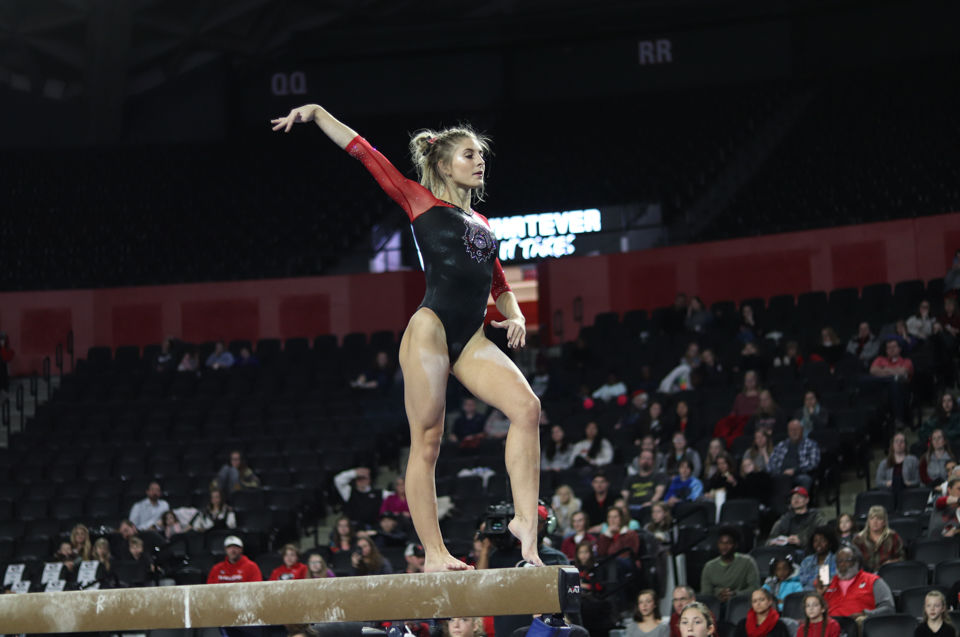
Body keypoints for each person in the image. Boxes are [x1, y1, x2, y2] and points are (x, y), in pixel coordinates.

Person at [301, 103, 542, 569]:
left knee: (527, 408)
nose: (479, 161)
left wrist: (516, 317)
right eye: (469, 155)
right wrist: (316, 113)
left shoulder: (484, 225)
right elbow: (365, 153)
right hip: (430, 328)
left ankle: (525, 524)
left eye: (481, 155)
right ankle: (434, 553)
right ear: (442, 164)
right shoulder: (420, 201)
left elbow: (500, 286)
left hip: (470, 337)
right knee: (428, 438)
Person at [814, 546, 894, 619]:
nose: (842, 564)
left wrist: (866, 614)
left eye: (847, 560)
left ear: (857, 562)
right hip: (831, 628)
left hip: (861, 626)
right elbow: (814, 612)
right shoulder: (828, 584)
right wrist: (819, 595)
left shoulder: (873, 581)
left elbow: (888, 609)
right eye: (839, 561)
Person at [700, 526, 760, 604]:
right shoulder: (709, 566)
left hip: (742, 603)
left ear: (735, 545)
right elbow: (706, 594)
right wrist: (719, 594)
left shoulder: (747, 562)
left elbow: (755, 588)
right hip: (716, 604)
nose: (724, 547)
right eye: (721, 543)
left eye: (728, 543)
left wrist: (734, 594)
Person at [869, 339, 914, 426]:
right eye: (888, 348)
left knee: (895, 384)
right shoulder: (879, 359)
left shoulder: (906, 361)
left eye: (894, 347)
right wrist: (894, 371)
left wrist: (884, 370)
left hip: (902, 391)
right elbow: (873, 370)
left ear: (899, 349)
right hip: (882, 391)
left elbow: (902, 372)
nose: (891, 349)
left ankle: (898, 419)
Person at [767, 420, 820, 491]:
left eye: (796, 429)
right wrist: (778, 472)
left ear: (802, 430)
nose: (794, 432)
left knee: (805, 479)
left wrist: (795, 471)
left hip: (798, 474)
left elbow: (813, 463)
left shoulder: (811, 444)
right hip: (780, 474)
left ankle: (800, 501)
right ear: (788, 432)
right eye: (791, 430)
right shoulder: (781, 445)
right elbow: (771, 462)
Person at [851, 505, 904, 572]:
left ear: (884, 522)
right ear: (868, 521)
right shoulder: (858, 539)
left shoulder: (893, 537)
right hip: (865, 576)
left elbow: (902, 558)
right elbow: (852, 560)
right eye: (872, 518)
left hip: (888, 574)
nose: (875, 522)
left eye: (879, 519)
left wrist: (891, 562)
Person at [797, 527, 838, 591]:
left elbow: (835, 581)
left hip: (829, 594)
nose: (818, 544)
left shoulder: (836, 560)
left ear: (830, 543)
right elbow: (802, 581)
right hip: (807, 594)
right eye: (815, 541)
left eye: (822, 540)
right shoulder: (807, 561)